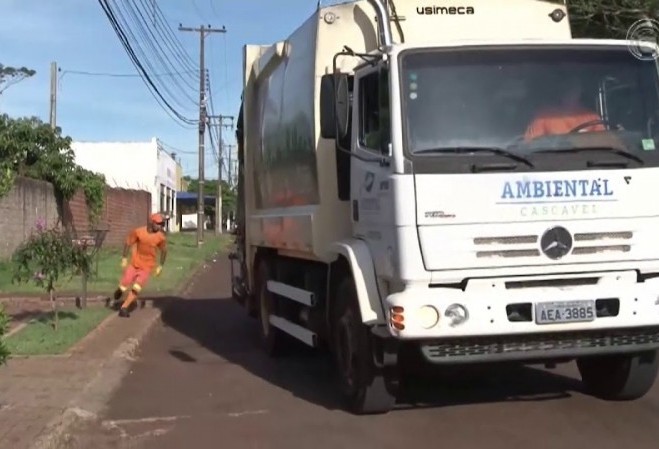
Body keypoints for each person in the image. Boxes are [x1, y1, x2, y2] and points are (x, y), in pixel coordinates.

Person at [109, 213, 167, 317]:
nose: (160, 226)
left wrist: (160, 266)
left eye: (162, 224)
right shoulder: (139, 232)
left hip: (147, 267)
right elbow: (128, 242)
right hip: (134, 263)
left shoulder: (160, 237)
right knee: (125, 282)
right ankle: (120, 290)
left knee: (137, 287)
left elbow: (164, 251)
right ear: (152, 222)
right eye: (158, 224)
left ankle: (124, 308)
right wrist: (124, 258)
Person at [524, 75, 605, 141]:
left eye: (573, 87)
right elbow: (531, 144)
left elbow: (603, 143)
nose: (570, 91)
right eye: (566, 87)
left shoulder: (592, 118)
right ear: (560, 90)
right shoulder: (543, 116)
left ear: (580, 90)